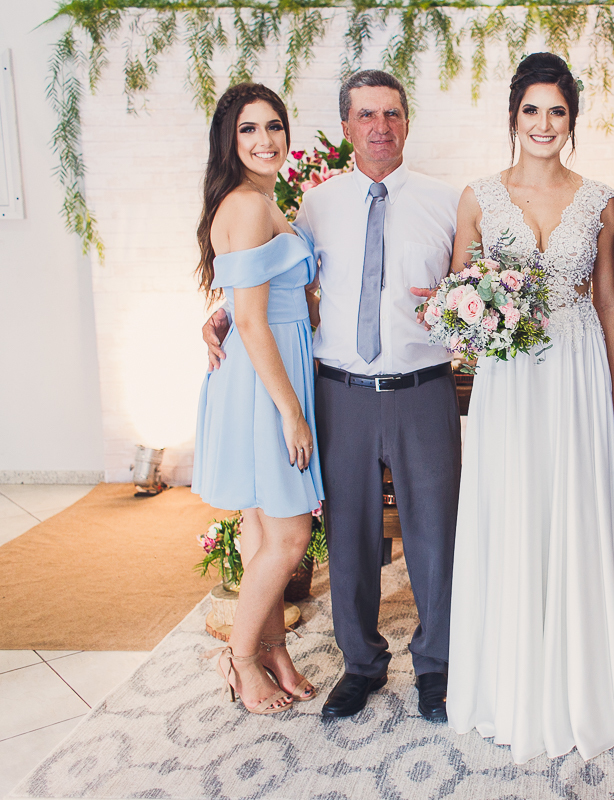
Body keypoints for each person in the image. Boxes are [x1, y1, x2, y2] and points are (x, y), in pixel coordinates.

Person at [203, 70, 461, 722]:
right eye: (367, 115)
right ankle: (362, 664)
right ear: (346, 126)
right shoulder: (314, 204)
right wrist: (223, 315)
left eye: (393, 113)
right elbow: (269, 286)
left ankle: (436, 668)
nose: (381, 126)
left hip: (423, 389)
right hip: (338, 392)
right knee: (347, 539)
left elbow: (470, 292)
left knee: (435, 537)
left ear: (408, 122)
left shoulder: (447, 201)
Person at [443, 52, 614, 764]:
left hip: (573, 366)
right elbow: (458, 294)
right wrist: (484, 318)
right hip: (510, 379)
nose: (544, 124)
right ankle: (506, 682)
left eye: (558, 111)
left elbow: (608, 302)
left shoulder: (600, 198)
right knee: (512, 510)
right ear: (514, 115)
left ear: (573, 120)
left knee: (572, 513)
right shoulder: (478, 196)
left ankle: (580, 681)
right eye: (532, 110)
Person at [193, 83, 322, 715]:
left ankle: (275, 650)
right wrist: (291, 410)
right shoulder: (246, 204)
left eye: (274, 125)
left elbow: (244, 301)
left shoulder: (258, 199)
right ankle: (239, 658)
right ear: (229, 139)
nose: (266, 140)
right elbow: (250, 320)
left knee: (263, 527)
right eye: (249, 129)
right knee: (291, 534)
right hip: (268, 379)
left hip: (262, 369)